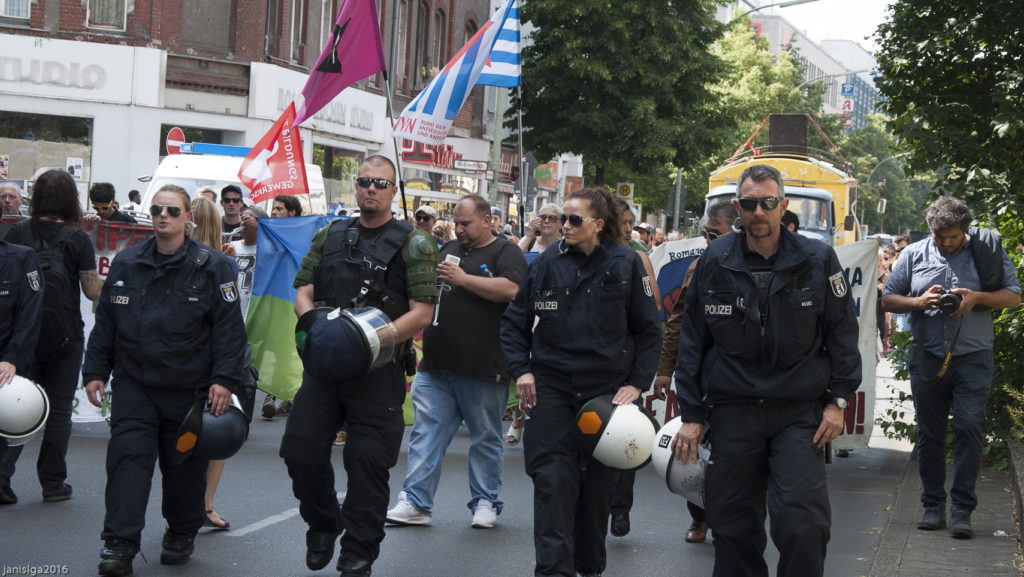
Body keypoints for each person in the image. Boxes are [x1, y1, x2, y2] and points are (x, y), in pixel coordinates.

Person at [672, 164, 861, 577]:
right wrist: (691, 414)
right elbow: (693, 342)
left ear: (783, 206)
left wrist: (838, 401)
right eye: (750, 203)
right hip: (734, 411)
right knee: (731, 526)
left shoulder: (817, 258)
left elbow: (843, 335)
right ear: (738, 207)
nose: (759, 211)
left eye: (768, 203)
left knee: (804, 524)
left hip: (799, 412)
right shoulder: (715, 259)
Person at [280, 155, 438, 577]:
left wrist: (367, 342)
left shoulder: (416, 242)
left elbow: (422, 312)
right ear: (356, 186)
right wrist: (316, 329)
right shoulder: (331, 235)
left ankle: (358, 553)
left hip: (378, 371)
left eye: (381, 183)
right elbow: (303, 292)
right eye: (365, 181)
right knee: (298, 449)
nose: (371, 188)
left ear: (393, 190)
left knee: (367, 464)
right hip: (326, 365)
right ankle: (323, 522)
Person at [82, 184, 246, 576]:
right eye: (157, 209)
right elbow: (105, 323)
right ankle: (118, 545)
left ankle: (181, 531)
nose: (163, 216)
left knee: (184, 469)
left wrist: (224, 379)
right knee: (127, 463)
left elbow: (229, 331)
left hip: (189, 392)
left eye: (173, 211)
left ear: (188, 217)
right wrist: (93, 372)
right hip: (134, 387)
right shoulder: (126, 262)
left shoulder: (214, 266)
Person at [500, 186, 661, 577]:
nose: (565, 226)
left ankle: (588, 567)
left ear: (598, 225)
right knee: (553, 482)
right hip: (553, 391)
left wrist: (637, 384)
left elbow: (649, 331)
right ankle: (553, 571)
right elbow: (513, 325)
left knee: (595, 494)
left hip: (604, 398)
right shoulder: (545, 263)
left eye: (574, 219)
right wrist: (522, 370)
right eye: (562, 218)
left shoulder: (626, 263)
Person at [882, 196, 1020, 539]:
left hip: (973, 357)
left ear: (965, 231)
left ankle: (962, 509)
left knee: (970, 427)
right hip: (927, 357)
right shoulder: (913, 254)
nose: (944, 242)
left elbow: (1014, 295)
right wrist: (919, 301)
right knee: (929, 434)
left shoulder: (985, 252)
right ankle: (932, 506)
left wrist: (976, 298)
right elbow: (888, 298)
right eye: (938, 235)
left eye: (952, 237)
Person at [387, 194, 528, 529]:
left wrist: (462, 279)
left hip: (483, 364)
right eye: (457, 222)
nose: (459, 229)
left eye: (466, 223)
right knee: (426, 434)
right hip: (437, 363)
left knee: (485, 437)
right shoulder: (447, 248)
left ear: (486, 220)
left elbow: (513, 290)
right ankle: (416, 501)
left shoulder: (505, 251)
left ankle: (485, 502)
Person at [1, 169, 103, 505]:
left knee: (13, 407)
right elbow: (91, 292)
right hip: (64, 336)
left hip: (19, 336)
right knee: (58, 411)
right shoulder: (77, 239)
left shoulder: (16, 231)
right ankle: (53, 484)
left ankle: (2, 479)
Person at [649, 206, 737, 544]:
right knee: (692, 450)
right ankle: (699, 518)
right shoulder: (698, 267)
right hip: (702, 379)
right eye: (706, 233)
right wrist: (664, 370)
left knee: (736, 456)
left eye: (715, 233)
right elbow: (678, 322)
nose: (708, 239)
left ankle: (729, 521)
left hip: (744, 381)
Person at [608, 197, 662, 538]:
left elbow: (653, 307)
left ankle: (620, 509)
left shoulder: (638, 257)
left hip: (625, 367)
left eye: (632, 222)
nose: (629, 228)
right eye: (624, 222)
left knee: (624, 441)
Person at [187, 196, 236, 532]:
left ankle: (185, 502)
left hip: (180, 357)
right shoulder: (224, 263)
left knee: (184, 433)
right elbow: (232, 317)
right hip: (216, 360)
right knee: (217, 433)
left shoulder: (176, 256)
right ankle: (205, 505)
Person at [0, 235, 43, 505]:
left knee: (11, 420)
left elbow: (30, 311)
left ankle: (2, 479)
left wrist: (12, 357)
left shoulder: (21, 257)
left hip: (9, 355)